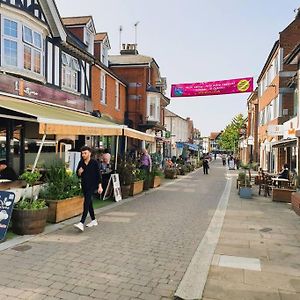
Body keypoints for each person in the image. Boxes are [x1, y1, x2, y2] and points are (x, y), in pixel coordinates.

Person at [74, 146, 103, 232]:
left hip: (92, 185)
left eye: (85, 153)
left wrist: (100, 186)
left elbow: (99, 175)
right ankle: (94, 220)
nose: (83, 155)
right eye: (82, 153)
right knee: (89, 202)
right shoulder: (81, 162)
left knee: (86, 202)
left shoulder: (94, 163)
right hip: (84, 185)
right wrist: (79, 172)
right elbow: (77, 174)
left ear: (89, 153)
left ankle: (81, 222)